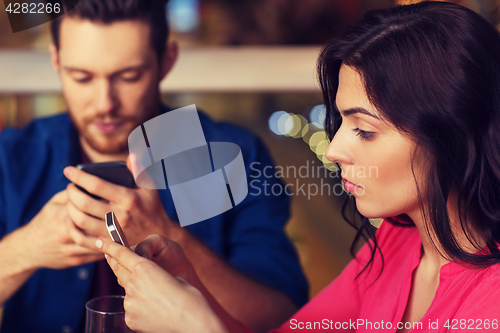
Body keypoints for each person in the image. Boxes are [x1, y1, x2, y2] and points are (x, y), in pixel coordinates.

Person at [97, 1, 500, 332]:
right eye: (341, 122)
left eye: (364, 130)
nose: (334, 149)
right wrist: (191, 288)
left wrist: (194, 326)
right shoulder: (395, 244)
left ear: (450, 135)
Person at [0, 1, 308, 332]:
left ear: (166, 61)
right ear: (56, 61)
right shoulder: (12, 157)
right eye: (82, 77)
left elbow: (281, 318)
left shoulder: (234, 156)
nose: (105, 103)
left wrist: (168, 235)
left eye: (129, 76)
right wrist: (26, 249)